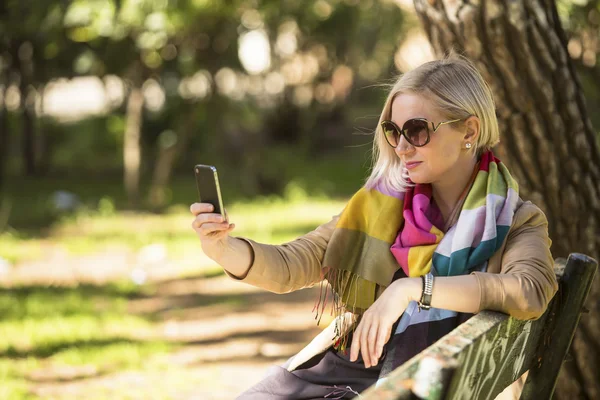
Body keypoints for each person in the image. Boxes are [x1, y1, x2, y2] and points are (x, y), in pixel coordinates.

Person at [189, 51, 559, 399]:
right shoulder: (382, 205)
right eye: (393, 131)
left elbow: (529, 291)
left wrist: (412, 290)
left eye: (417, 130)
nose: (401, 147)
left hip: (400, 386)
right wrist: (224, 249)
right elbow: (293, 263)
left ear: (469, 131)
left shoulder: (516, 222)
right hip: (348, 377)